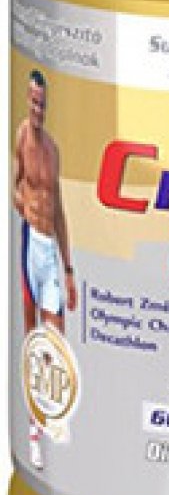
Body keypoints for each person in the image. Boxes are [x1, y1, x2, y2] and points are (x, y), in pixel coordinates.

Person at [14, 69, 77, 469]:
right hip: (28, 245)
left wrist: (68, 269)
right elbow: (15, 184)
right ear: (27, 100)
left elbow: (61, 211)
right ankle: (34, 431)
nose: (38, 109)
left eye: (43, 103)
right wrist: (20, 203)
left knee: (55, 341)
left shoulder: (53, 150)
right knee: (32, 340)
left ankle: (50, 415)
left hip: (50, 250)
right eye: (34, 101)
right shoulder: (21, 135)